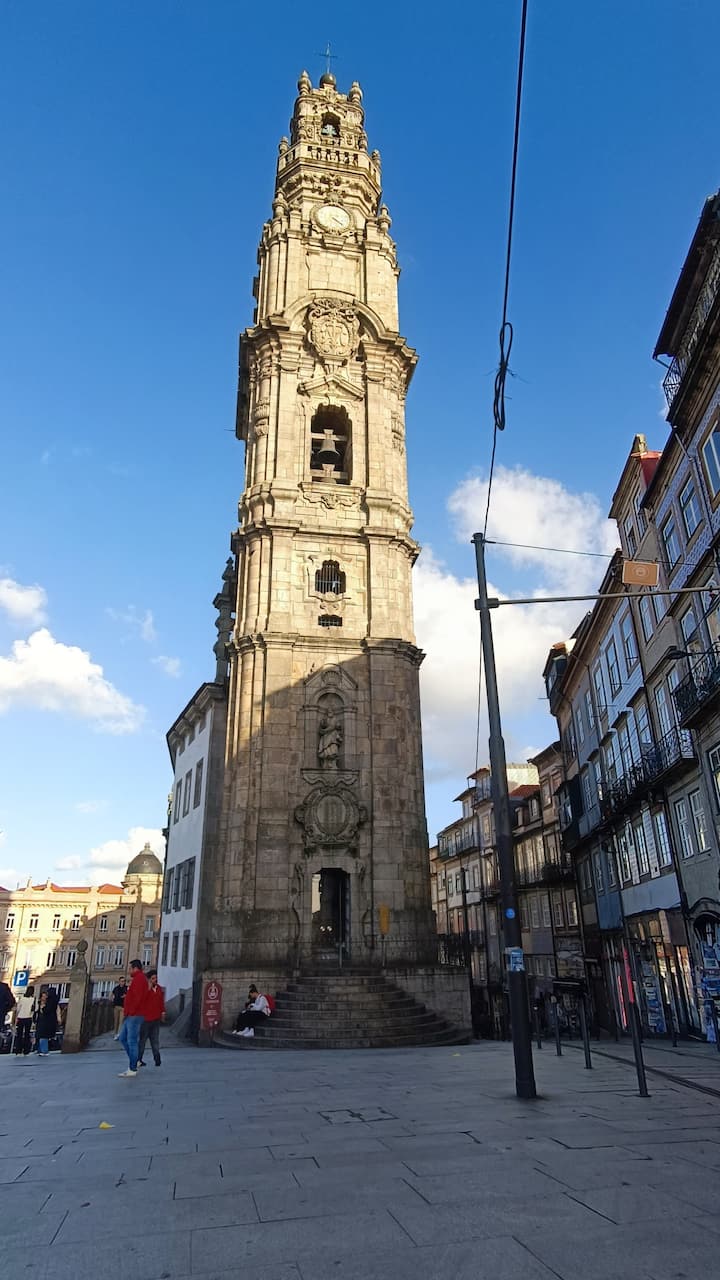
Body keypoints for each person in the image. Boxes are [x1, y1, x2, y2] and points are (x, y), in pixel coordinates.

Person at [117, 961, 148, 1077]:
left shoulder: (139, 979)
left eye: (130, 968)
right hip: (131, 1014)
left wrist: (131, 1011)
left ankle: (133, 1068)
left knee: (132, 1040)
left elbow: (137, 998)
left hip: (134, 1015)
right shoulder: (137, 979)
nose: (129, 970)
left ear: (135, 968)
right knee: (123, 1038)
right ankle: (135, 1061)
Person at [137, 969, 165, 1068]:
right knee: (142, 1041)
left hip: (156, 1018)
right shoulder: (145, 989)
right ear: (149, 980)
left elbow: (161, 1001)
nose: (155, 980)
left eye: (156, 978)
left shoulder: (159, 988)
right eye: (153, 978)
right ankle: (138, 1059)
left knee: (155, 1040)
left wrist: (163, 1012)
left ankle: (157, 1059)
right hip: (145, 1019)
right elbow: (141, 1001)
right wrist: (148, 989)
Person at [36, 989, 61, 1055]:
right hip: (50, 1021)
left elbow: (46, 1011)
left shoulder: (49, 1002)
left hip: (45, 1021)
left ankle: (44, 1051)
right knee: (43, 1036)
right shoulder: (55, 1001)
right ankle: (41, 1050)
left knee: (43, 1036)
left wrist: (43, 1007)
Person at [13, 985, 36, 1056]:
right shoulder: (33, 999)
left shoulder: (22, 998)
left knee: (19, 1034)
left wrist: (16, 1017)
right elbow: (34, 1009)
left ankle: (18, 1050)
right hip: (28, 1018)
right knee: (27, 1034)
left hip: (20, 1017)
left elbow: (18, 1008)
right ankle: (26, 1050)